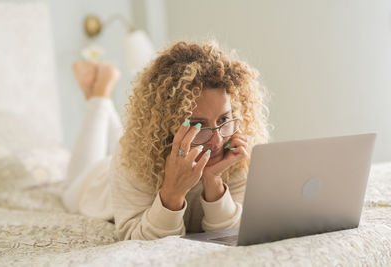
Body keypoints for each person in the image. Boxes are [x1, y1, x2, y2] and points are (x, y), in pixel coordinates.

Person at [61, 40, 269, 241]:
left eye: (223, 119)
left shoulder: (236, 150)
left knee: (125, 139)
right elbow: (137, 238)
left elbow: (233, 234)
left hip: (129, 152)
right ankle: (99, 97)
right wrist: (173, 190)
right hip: (99, 182)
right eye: (198, 124)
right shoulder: (132, 158)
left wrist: (213, 181)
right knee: (70, 186)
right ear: (167, 123)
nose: (217, 140)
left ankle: (101, 96)